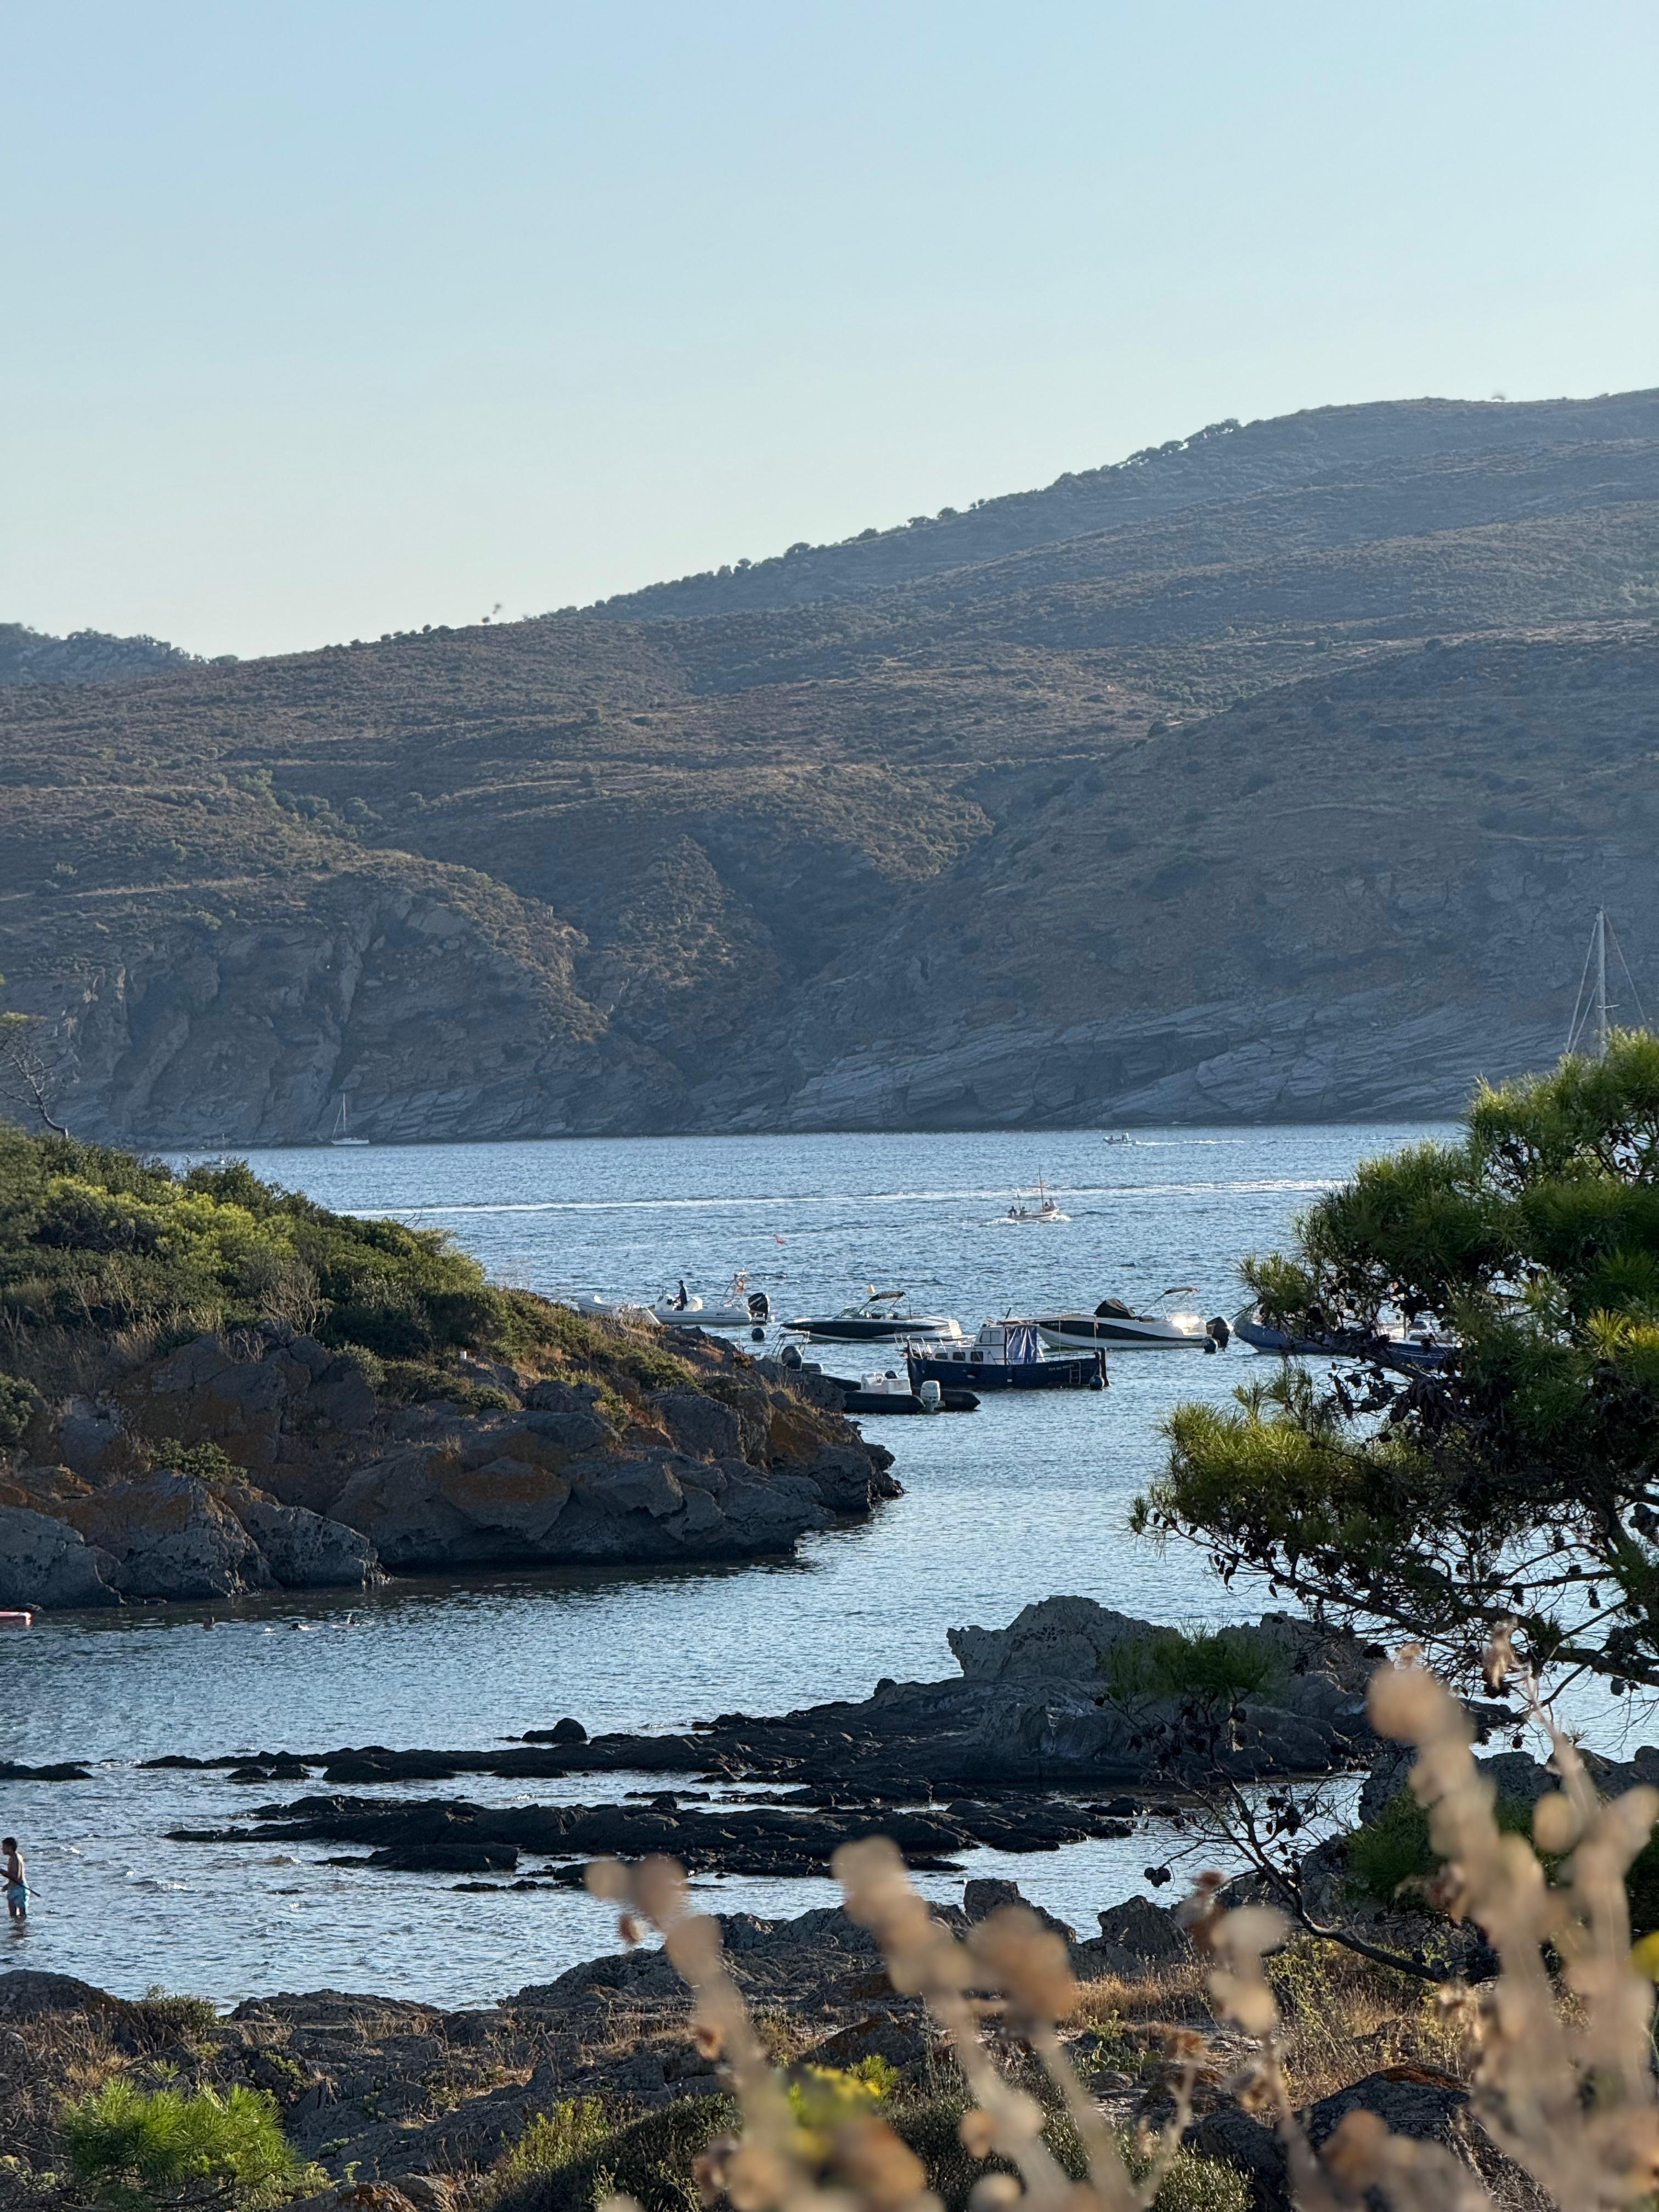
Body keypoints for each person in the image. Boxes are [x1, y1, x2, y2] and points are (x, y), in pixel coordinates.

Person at [3, 1838, 26, 1921]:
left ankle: (20, 1930)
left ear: (10, 1847)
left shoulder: (15, 1859)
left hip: (18, 1889)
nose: (2, 1849)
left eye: (4, 1847)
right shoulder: (15, 1857)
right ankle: (16, 1930)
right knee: (15, 1915)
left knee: (18, 1914)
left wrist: (3, 1872)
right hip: (14, 1888)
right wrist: (8, 1885)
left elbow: (17, 1878)